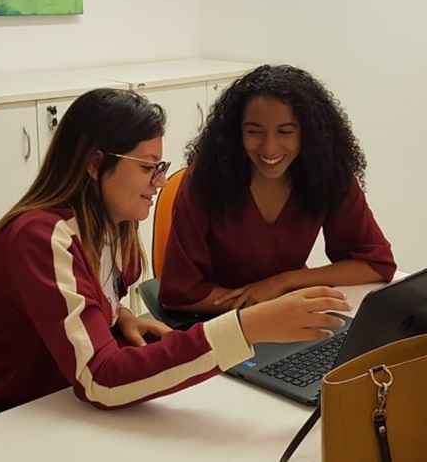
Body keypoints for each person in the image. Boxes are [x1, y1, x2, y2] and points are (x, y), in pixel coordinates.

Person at [0, 88, 351, 410]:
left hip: (48, 399)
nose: (159, 182)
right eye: (147, 167)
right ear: (94, 165)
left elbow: (77, 304)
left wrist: (115, 315)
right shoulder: (41, 236)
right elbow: (101, 381)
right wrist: (245, 327)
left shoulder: (113, 227)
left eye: (159, 167)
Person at [160, 65, 396, 313]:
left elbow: (376, 264)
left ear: (309, 133)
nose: (269, 148)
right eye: (254, 132)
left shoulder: (328, 173)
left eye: (285, 132)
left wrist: (283, 282)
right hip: (219, 319)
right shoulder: (205, 180)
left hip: (283, 311)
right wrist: (266, 308)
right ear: (235, 132)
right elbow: (179, 293)